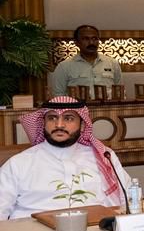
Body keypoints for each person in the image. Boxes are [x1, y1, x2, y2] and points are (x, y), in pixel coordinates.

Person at [0, 97, 130, 219]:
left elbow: (129, 198)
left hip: (95, 230)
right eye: (52, 118)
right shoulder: (19, 163)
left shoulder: (104, 157)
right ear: (43, 123)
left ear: (82, 125)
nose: (59, 125)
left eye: (68, 118)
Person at [50, 24, 122, 97]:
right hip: (77, 105)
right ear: (76, 42)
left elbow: (119, 92)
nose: (91, 42)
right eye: (86, 39)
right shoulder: (64, 67)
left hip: (107, 104)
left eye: (94, 39)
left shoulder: (112, 63)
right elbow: (58, 96)